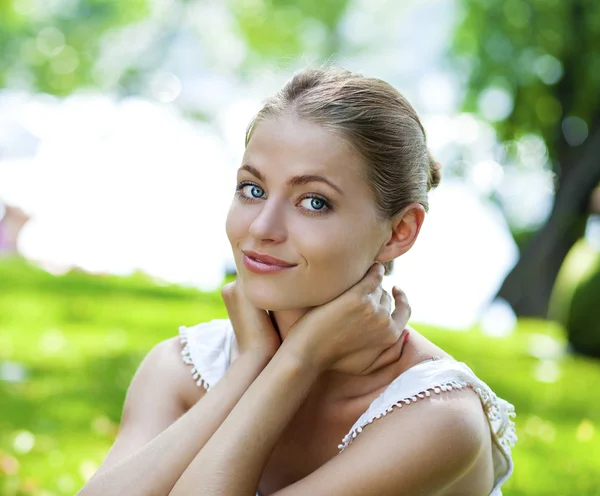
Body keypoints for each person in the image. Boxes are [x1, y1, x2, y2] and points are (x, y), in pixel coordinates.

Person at [78, 67, 516, 496]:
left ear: (400, 231)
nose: (264, 227)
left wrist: (297, 360)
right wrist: (251, 366)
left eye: (314, 201)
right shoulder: (183, 367)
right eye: (252, 189)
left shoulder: (436, 416)